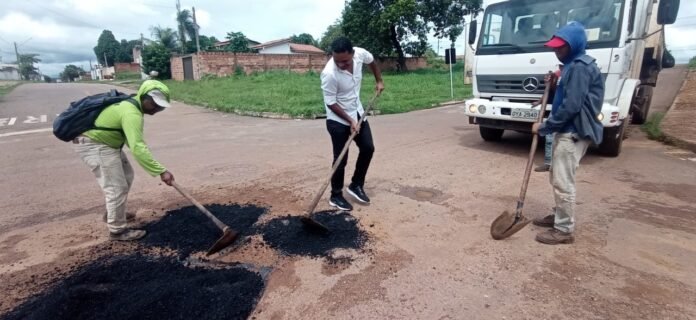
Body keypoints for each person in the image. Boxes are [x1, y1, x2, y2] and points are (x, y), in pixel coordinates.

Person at [73, 80, 175, 241]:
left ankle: (115, 213)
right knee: (115, 187)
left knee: (126, 176)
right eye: (154, 104)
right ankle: (117, 231)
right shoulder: (131, 112)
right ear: (143, 97)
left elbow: (131, 140)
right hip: (96, 145)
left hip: (108, 145)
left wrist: (158, 169)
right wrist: (161, 171)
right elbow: (137, 147)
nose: (157, 109)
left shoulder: (132, 106)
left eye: (160, 106)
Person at [531, 22, 604, 245]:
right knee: (557, 177)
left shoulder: (580, 67)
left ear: (574, 46)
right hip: (566, 129)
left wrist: (544, 127)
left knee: (563, 181)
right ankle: (559, 216)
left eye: (561, 47)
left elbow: (572, 106)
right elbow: (567, 97)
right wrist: (553, 88)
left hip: (573, 131)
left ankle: (564, 229)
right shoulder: (571, 65)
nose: (556, 50)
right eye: (554, 47)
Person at [320, 37, 384, 211]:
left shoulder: (360, 54)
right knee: (341, 159)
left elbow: (372, 62)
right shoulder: (329, 74)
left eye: (345, 61)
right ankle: (336, 195)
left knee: (368, 148)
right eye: (337, 61)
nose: (341, 64)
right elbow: (331, 103)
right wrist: (350, 121)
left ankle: (356, 185)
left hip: (357, 111)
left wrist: (379, 80)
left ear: (353, 54)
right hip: (338, 119)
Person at [534, 65, 563, 173]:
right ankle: (548, 163)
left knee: (566, 139)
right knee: (550, 136)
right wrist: (550, 83)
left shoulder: (575, 72)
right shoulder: (557, 74)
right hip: (556, 111)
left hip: (568, 111)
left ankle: (560, 165)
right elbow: (551, 91)